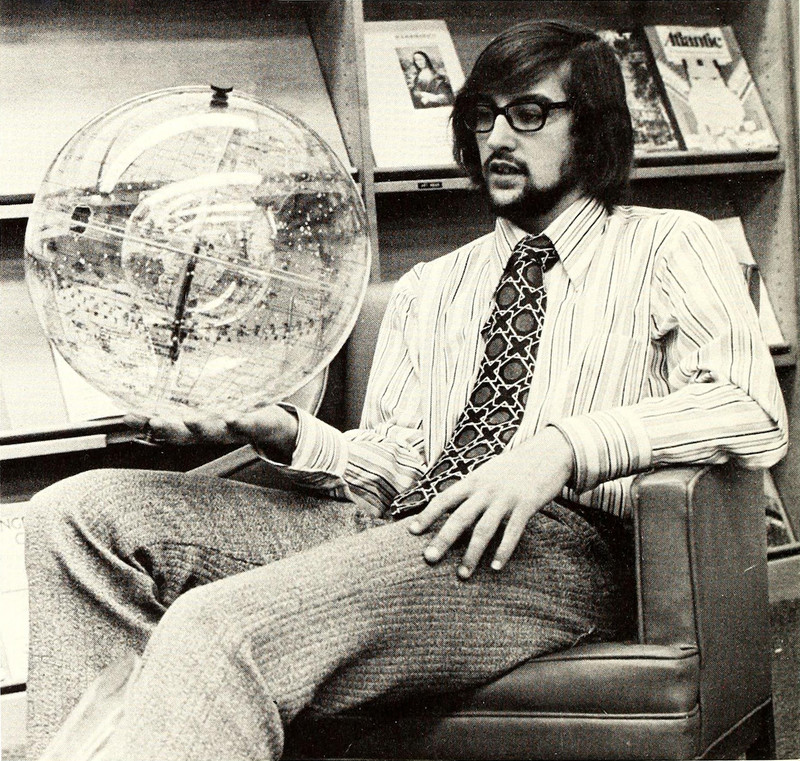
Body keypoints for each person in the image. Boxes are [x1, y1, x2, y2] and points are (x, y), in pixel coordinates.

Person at [25, 19, 787, 761]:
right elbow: (395, 466)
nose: (497, 137)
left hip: (554, 548)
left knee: (220, 626)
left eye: (528, 114)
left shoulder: (669, 241)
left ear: (593, 128)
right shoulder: (433, 285)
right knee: (76, 516)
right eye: (483, 115)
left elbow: (752, 406)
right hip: (400, 525)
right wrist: (284, 432)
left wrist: (562, 449)